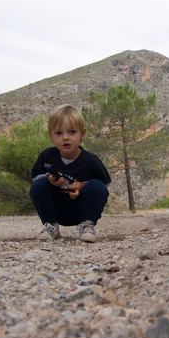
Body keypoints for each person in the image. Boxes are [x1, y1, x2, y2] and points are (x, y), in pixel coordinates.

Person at [29, 104, 111, 243]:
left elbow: (105, 184)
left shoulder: (91, 160)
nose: (65, 137)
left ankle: (87, 226)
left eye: (72, 132)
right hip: (56, 209)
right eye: (59, 133)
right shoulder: (47, 156)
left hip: (81, 210)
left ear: (82, 134)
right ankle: (50, 227)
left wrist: (82, 186)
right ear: (51, 135)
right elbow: (35, 178)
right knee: (38, 185)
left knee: (97, 186)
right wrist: (49, 178)